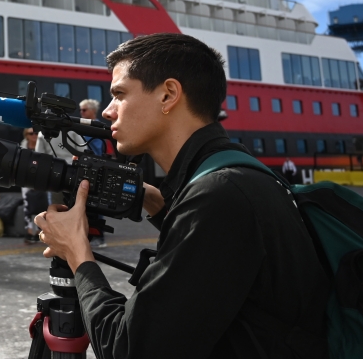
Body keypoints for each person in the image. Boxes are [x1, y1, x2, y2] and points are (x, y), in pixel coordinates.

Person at [34, 33, 329, 357]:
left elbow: (131, 349)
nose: (107, 111)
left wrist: (76, 252)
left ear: (168, 95)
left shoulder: (217, 199)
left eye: (119, 95)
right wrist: (159, 205)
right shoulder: (242, 173)